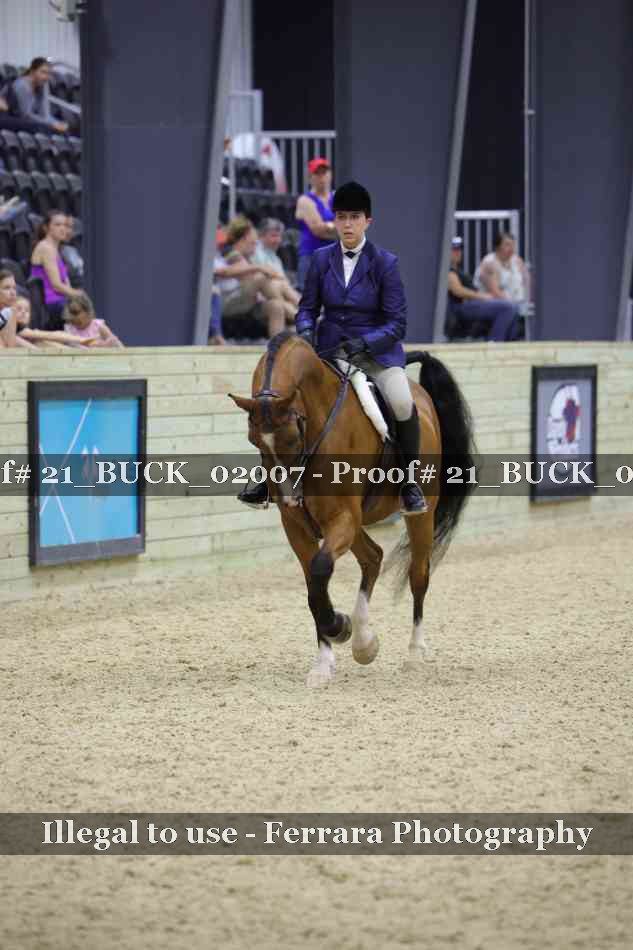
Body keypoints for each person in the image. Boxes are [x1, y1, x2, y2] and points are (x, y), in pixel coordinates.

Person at [239, 180, 428, 516]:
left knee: (401, 400)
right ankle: (269, 479)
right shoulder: (320, 259)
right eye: (341, 217)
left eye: (354, 217)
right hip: (329, 352)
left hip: (375, 355)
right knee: (279, 402)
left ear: (367, 221)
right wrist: (307, 331)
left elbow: (397, 323)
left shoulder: (385, 263)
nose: (347, 224)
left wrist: (365, 343)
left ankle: (409, 482)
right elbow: (307, 308)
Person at [215, 216, 297, 338]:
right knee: (261, 277)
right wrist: (258, 267)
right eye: (253, 243)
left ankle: (279, 346)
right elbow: (223, 272)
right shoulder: (230, 253)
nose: (256, 247)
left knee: (276, 305)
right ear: (243, 239)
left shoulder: (246, 257)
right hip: (227, 300)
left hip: (246, 300)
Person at [447, 236, 519, 341]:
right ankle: (495, 342)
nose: (458, 253)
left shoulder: (458, 269)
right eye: (454, 250)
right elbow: (458, 291)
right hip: (462, 306)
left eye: (459, 249)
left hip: (473, 303)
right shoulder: (448, 270)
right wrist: (482, 296)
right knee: (507, 307)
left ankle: (510, 342)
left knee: (514, 307)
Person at [30, 210, 83, 328]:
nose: (63, 228)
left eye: (65, 225)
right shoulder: (45, 248)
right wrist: (79, 295)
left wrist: (75, 294)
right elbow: (56, 285)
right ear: (46, 228)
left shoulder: (56, 249)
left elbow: (66, 282)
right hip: (51, 303)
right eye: (58, 225)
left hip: (60, 300)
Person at [295, 157, 338, 290]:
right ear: (310, 178)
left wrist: (329, 226)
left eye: (324, 173)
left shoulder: (337, 197)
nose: (321, 177)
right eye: (317, 174)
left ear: (330, 175)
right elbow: (318, 230)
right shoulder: (305, 201)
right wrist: (338, 227)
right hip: (311, 258)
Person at [1, 58, 68, 134]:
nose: (46, 77)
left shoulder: (42, 86)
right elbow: (25, 115)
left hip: (29, 121)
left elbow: (44, 114)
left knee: (64, 130)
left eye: (49, 74)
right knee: (45, 129)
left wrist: (57, 123)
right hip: (15, 119)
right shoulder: (22, 86)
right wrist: (52, 125)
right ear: (32, 71)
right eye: (43, 72)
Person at [14, 295, 95, 348]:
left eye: (27, 310)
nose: (23, 312)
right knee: (41, 339)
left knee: (42, 341)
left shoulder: (25, 331)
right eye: (19, 309)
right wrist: (81, 340)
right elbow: (50, 335)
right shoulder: (18, 331)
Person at [475, 231, 530, 310]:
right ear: (497, 247)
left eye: (513, 244)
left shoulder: (517, 261)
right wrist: (515, 306)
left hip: (517, 304)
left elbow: (527, 283)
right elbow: (496, 293)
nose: (511, 248)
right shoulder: (489, 263)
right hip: (493, 306)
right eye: (507, 244)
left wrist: (527, 303)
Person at [252, 218, 300, 304]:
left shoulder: (275, 257)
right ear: (261, 236)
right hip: (261, 296)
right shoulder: (254, 251)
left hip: (277, 295)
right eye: (274, 236)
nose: (278, 240)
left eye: (279, 236)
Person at [0, 268, 18, 348]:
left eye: (14, 288)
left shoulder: (11, 311)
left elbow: (10, 348)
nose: (12, 293)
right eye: (6, 288)